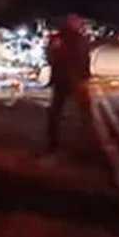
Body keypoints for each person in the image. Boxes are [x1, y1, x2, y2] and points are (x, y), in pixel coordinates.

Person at [45, 14, 94, 153]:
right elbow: (85, 60)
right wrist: (86, 77)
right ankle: (86, 141)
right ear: (73, 24)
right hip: (75, 79)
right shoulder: (81, 39)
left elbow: (49, 58)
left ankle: (52, 141)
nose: (80, 25)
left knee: (56, 111)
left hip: (61, 78)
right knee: (84, 112)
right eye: (78, 23)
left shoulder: (56, 38)